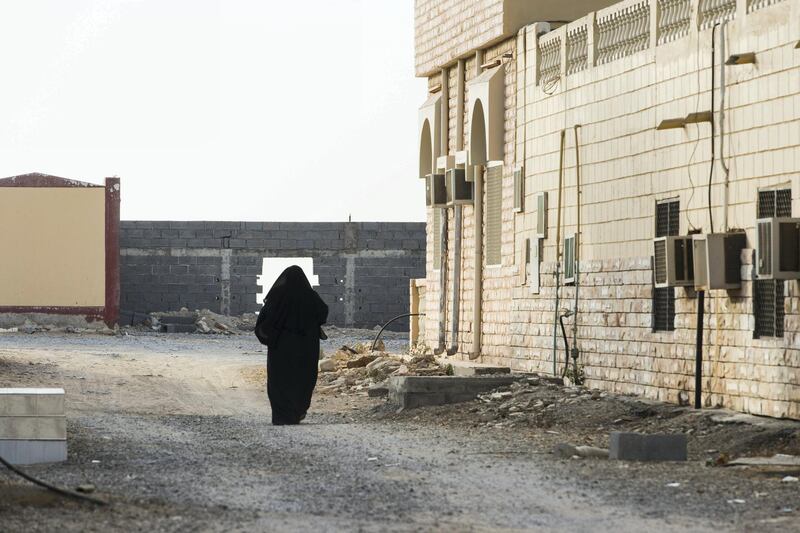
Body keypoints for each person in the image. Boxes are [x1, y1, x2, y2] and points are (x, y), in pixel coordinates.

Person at [254, 265, 328, 425]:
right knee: (303, 379)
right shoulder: (310, 296)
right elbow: (323, 313)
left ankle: (282, 415)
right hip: (305, 348)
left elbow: (264, 323)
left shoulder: (277, 297)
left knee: (280, 380)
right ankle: (298, 411)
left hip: (281, 349)